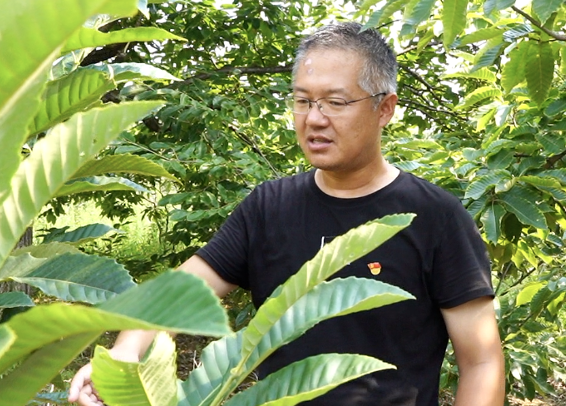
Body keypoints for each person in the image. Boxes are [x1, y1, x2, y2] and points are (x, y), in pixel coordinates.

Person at [69, 21, 505, 406]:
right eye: (302, 100)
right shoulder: (269, 207)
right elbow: (182, 290)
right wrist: (124, 353)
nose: (314, 119)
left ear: (384, 109)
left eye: (335, 102)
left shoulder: (434, 216)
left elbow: (482, 360)